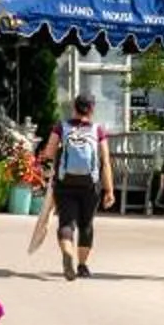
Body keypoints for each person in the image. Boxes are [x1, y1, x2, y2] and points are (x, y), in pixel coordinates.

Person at [36, 93, 116, 280]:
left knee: (66, 223)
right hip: (90, 185)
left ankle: (67, 253)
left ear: (74, 107)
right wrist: (109, 190)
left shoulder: (61, 126)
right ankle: (82, 266)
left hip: (65, 183)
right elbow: (105, 160)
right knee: (86, 224)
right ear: (92, 109)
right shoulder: (97, 130)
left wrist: (52, 155)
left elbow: (48, 152)